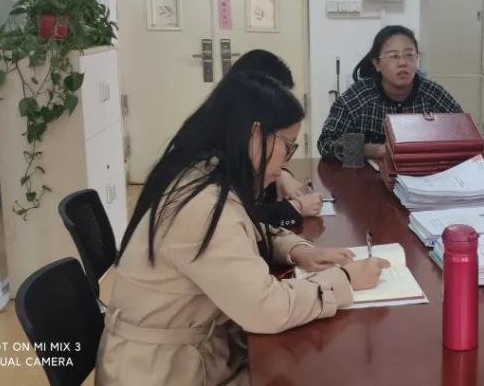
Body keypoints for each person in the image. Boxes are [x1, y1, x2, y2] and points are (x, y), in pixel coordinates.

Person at [96, 72, 390, 385]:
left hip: (185, 354)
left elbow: (245, 229)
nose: (284, 163)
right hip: (162, 371)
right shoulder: (203, 206)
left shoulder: (202, 173)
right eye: (287, 147)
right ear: (255, 134)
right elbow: (266, 309)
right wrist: (345, 279)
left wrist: (298, 249)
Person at [317, 25, 463, 160]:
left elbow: (465, 136)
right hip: (368, 178)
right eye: (393, 56)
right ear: (377, 64)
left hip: (424, 175)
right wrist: (372, 150)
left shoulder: (432, 94)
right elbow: (326, 144)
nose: (403, 63)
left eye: (409, 55)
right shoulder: (358, 97)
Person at [227, 50, 320, 227]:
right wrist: (296, 208)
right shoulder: (217, 164)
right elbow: (247, 219)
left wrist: (281, 175)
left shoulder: (240, 140)